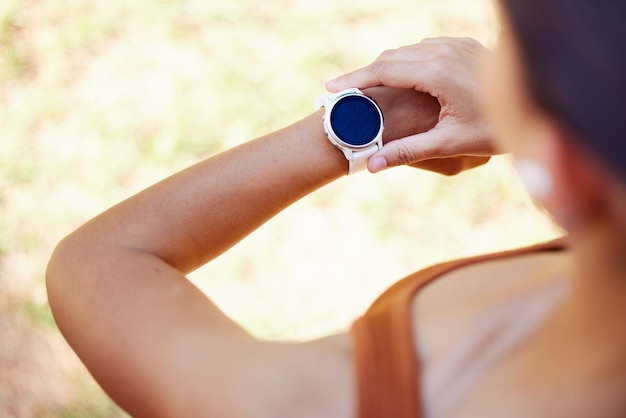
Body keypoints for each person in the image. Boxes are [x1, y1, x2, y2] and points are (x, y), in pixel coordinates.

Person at [46, 0, 626, 416]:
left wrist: (359, 126)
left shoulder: (305, 402)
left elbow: (98, 258)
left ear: (565, 172)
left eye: (508, 51)